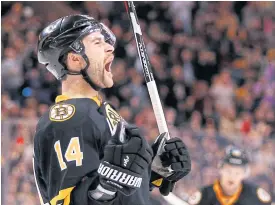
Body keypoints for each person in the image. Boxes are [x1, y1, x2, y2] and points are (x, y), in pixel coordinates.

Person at [33, 14, 191, 205]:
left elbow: (119, 193)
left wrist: (153, 170)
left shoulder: (100, 111)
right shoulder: (69, 118)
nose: (110, 47)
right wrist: (107, 184)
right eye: (98, 42)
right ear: (75, 59)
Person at [188, 146, 272, 205]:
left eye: (237, 173)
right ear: (220, 169)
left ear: (244, 174)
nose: (232, 176)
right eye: (228, 171)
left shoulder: (255, 196)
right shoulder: (205, 195)